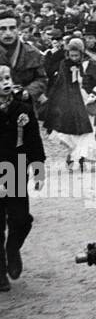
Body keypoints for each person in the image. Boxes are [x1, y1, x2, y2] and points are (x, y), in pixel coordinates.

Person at [0, 65, 44, 292]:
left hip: (14, 171)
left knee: (21, 219)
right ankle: (1, 273)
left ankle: (12, 248)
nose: (5, 83)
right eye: (0, 80)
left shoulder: (22, 109)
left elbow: (33, 139)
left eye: (7, 78)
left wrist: (38, 167)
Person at [44, 38, 96, 171]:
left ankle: (79, 158)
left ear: (82, 53)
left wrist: (94, 95)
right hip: (70, 103)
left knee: (87, 133)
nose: (74, 58)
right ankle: (74, 154)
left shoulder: (91, 64)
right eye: (71, 55)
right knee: (71, 133)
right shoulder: (64, 64)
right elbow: (60, 83)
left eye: (76, 55)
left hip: (87, 103)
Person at [0, 10, 48, 117]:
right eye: (2, 29)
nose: (8, 33)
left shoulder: (33, 53)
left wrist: (27, 92)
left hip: (24, 109)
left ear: (18, 29)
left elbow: (42, 79)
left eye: (12, 28)